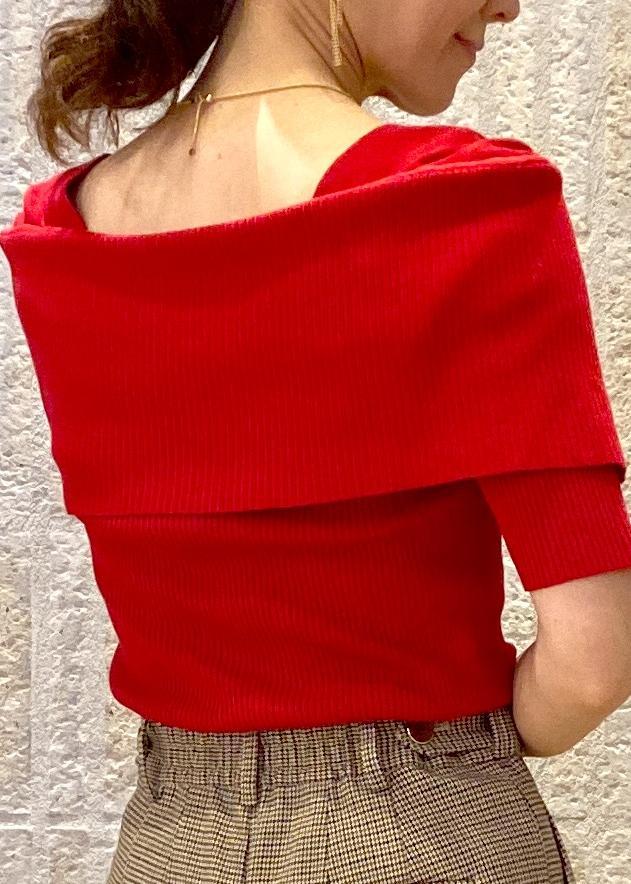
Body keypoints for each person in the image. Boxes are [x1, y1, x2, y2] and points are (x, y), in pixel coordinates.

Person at [1, 1, 631, 881]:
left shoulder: (65, 233)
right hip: (421, 839)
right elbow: (594, 662)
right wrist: (458, 760)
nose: (509, 5)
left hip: (169, 844)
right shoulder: (458, 203)